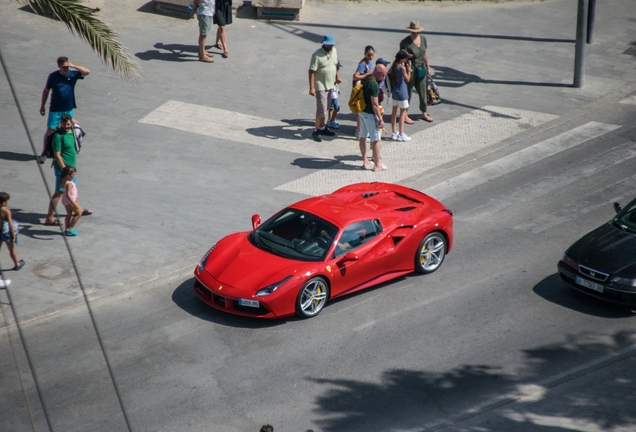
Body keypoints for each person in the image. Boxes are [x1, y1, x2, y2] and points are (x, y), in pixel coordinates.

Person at [38, 56, 89, 163]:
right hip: (55, 109)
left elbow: (87, 72)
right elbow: (46, 90)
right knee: (50, 130)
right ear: (59, 66)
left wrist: (73, 65)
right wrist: (42, 105)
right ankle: (45, 152)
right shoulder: (53, 76)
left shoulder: (73, 74)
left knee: (68, 128)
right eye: (63, 67)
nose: (66, 69)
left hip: (68, 108)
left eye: (67, 66)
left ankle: (63, 150)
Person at [43, 114, 92, 226]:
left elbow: (77, 123)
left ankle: (78, 208)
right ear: (61, 124)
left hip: (71, 170)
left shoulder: (73, 131)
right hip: (64, 170)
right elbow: (57, 155)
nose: (66, 126)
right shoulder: (58, 136)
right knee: (59, 193)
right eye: (64, 124)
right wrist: (64, 170)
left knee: (72, 189)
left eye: (68, 124)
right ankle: (49, 218)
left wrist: (72, 119)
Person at [308, 34, 341, 142]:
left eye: (331, 44)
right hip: (320, 85)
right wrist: (312, 87)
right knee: (321, 109)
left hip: (331, 84)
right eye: (327, 44)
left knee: (326, 108)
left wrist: (336, 77)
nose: (329, 46)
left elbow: (335, 65)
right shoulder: (317, 55)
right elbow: (311, 71)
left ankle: (322, 127)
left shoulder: (334, 51)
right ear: (323, 44)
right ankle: (316, 130)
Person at [399, 21, 434, 123]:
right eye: (414, 32)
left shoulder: (423, 39)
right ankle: (405, 115)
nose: (416, 34)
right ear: (410, 32)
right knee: (408, 91)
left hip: (421, 67)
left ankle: (424, 112)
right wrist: (408, 59)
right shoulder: (405, 42)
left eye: (417, 32)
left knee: (423, 91)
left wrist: (428, 67)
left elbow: (425, 54)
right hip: (411, 68)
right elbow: (402, 57)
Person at [358, 64, 387, 172]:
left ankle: (365, 161)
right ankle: (377, 165)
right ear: (378, 72)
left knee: (363, 136)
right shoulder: (374, 85)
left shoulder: (367, 77)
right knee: (376, 139)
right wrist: (381, 119)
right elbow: (375, 104)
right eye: (383, 75)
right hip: (370, 114)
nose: (383, 78)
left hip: (361, 111)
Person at [388, 51, 412, 142]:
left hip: (395, 92)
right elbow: (408, 79)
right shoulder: (402, 68)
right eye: (406, 59)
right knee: (402, 113)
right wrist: (409, 69)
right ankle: (401, 134)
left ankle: (394, 132)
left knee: (394, 112)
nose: (407, 60)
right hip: (402, 93)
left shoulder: (394, 66)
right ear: (402, 59)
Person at [353, 46, 375, 138]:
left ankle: (363, 130)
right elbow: (356, 76)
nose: (370, 57)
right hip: (362, 90)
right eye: (368, 55)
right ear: (365, 54)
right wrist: (367, 74)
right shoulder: (362, 64)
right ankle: (359, 131)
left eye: (372, 55)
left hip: (367, 89)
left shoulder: (369, 63)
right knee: (360, 110)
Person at [0, 192, 25, 271]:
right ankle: (17, 264)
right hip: (6, 233)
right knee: (11, 249)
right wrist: (14, 236)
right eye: (7, 201)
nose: (8, 202)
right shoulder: (7, 211)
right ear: (4, 202)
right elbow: (11, 224)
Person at [60, 167, 83, 236]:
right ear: (67, 175)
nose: (74, 176)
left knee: (69, 214)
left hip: (65, 201)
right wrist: (74, 203)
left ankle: (67, 229)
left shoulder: (64, 180)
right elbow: (68, 194)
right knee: (79, 213)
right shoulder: (69, 184)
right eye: (72, 174)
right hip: (69, 201)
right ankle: (70, 229)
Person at [326, 61, 342, 129]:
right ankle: (332, 120)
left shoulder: (335, 74)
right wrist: (336, 82)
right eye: (337, 67)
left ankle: (330, 120)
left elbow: (334, 85)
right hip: (333, 95)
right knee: (337, 107)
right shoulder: (332, 75)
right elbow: (330, 84)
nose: (338, 69)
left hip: (333, 94)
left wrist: (337, 89)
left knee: (331, 107)